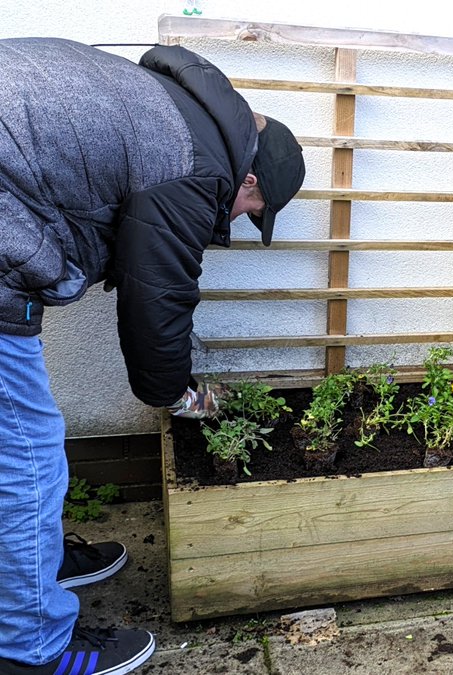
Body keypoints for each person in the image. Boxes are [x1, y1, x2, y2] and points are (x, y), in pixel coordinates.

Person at [1, 38, 305, 673]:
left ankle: (32, 565)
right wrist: (177, 392)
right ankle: (30, 648)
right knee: (26, 455)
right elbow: (156, 297)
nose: (243, 219)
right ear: (248, 179)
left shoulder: (176, 113)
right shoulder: (194, 165)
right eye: (255, 208)